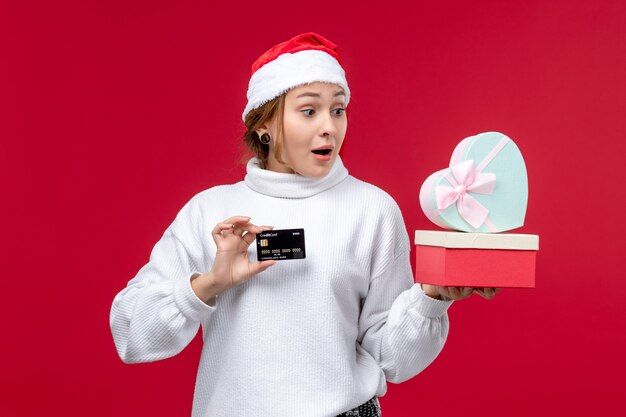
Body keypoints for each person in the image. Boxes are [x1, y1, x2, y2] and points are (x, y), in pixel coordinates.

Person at [110, 32, 499, 417]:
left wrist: (430, 298)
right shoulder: (209, 211)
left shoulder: (372, 209)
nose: (329, 126)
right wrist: (209, 283)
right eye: (309, 111)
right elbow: (131, 335)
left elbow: (391, 359)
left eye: (338, 109)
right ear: (264, 125)